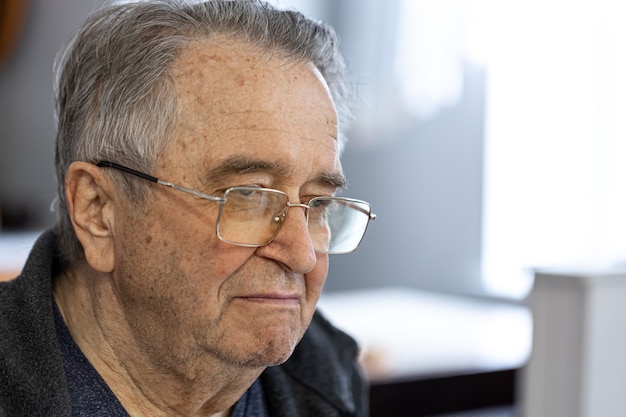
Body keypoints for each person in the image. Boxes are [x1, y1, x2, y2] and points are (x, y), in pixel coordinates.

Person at [0, 1, 377, 416]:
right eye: (249, 196)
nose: (302, 255)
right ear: (98, 211)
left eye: (318, 204)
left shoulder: (325, 381)